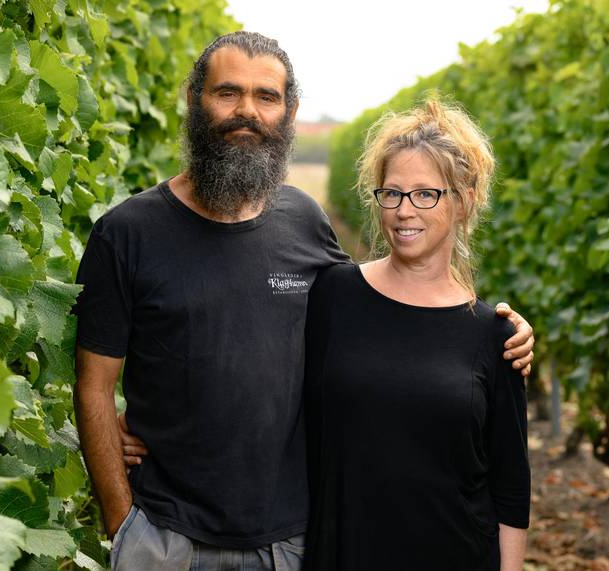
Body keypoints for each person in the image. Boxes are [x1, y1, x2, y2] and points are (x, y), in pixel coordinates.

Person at [74, 31, 535, 571]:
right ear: (194, 98)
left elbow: (395, 306)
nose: (247, 111)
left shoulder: (305, 222)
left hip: (290, 544)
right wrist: (122, 522)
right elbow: (93, 387)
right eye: (227, 92)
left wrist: (491, 329)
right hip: (165, 537)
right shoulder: (126, 234)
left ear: (289, 113)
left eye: (266, 97)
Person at [302, 99, 530, 570]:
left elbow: (510, 490)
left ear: (463, 201)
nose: (405, 211)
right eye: (392, 193)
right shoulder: (332, 294)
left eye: (426, 194)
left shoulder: (497, 335)